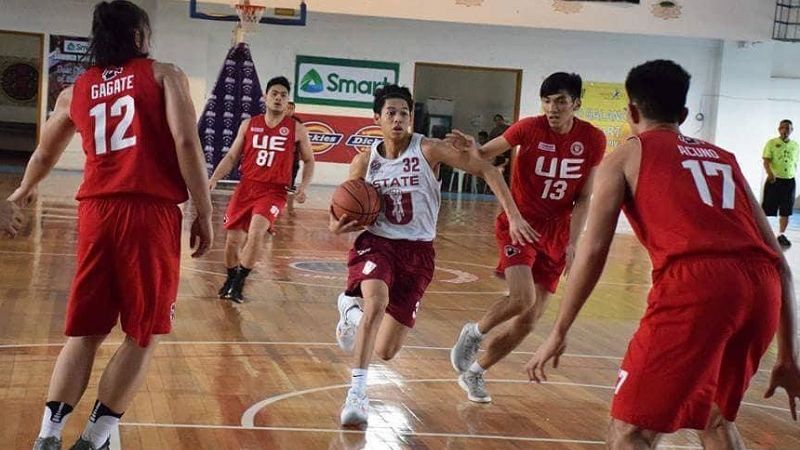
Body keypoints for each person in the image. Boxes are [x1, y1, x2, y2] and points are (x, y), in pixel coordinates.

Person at [526, 60, 800, 449]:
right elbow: (781, 265)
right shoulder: (725, 158)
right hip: (762, 289)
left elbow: (593, 251)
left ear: (632, 112)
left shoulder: (624, 156)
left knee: (630, 430)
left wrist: (559, 330)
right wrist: (788, 356)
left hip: (698, 287)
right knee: (713, 417)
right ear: (684, 114)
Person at [12, 2, 213, 449]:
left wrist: (22, 191)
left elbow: (44, 153)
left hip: (95, 214)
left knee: (85, 334)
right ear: (140, 36)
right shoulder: (165, 75)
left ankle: (48, 437)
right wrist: (205, 209)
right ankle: (95, 438)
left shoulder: (75, 90)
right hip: (149, 213)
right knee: (143, 333)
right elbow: (185, 140)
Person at [330, 84, 538, 427]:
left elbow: (486, 169)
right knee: (377, 301)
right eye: (391, 113)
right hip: (376, 243)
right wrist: (338, 226)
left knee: (386, 349)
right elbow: (340, 210)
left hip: (418, 252)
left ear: (412, 118)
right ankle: (357, 394)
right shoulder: (364, 161)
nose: (398, 119)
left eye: (404, 114)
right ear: (376, 119)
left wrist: (514, 215)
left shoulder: (429, 150)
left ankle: (350, 313)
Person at [448, 72, 606, 403]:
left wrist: (574, 242)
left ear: (576, 103)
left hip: (557, 233)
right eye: (547, 101)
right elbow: (485, 155)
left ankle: (475, 373)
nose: (552, 108)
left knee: (527, 322)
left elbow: (584, 198)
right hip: (518, 223)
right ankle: (474, 333)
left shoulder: (593, 139)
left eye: (561, 101)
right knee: (522, 298)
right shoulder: (528, 128)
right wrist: (473, 148)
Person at [208, 77, 314, 303]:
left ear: (288, 102)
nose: (278, 97)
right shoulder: (249, 124)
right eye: (274, 93)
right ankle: (230, 278)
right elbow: (232, 156)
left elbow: (310, 161)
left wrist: (303, 187)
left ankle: (239, 283)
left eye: (283, 95)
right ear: (265, 97)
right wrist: (214, 178)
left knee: (256, 233)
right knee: (232, 241)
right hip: (246, 187)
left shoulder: (296, 129)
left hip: (274, 191)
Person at [762, 119, 798, 247]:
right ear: (779, 129)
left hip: (789, 181)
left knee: (786, 210)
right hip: (775, 180)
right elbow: (766, 161)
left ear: (791, 130)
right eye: (782, 128)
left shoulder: (795, 145)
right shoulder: (772, 143)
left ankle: (781, 234)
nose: (785, 130)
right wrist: (770, 173)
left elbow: (795, 163)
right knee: (767, 209)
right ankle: (762, 234)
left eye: (788, 128)